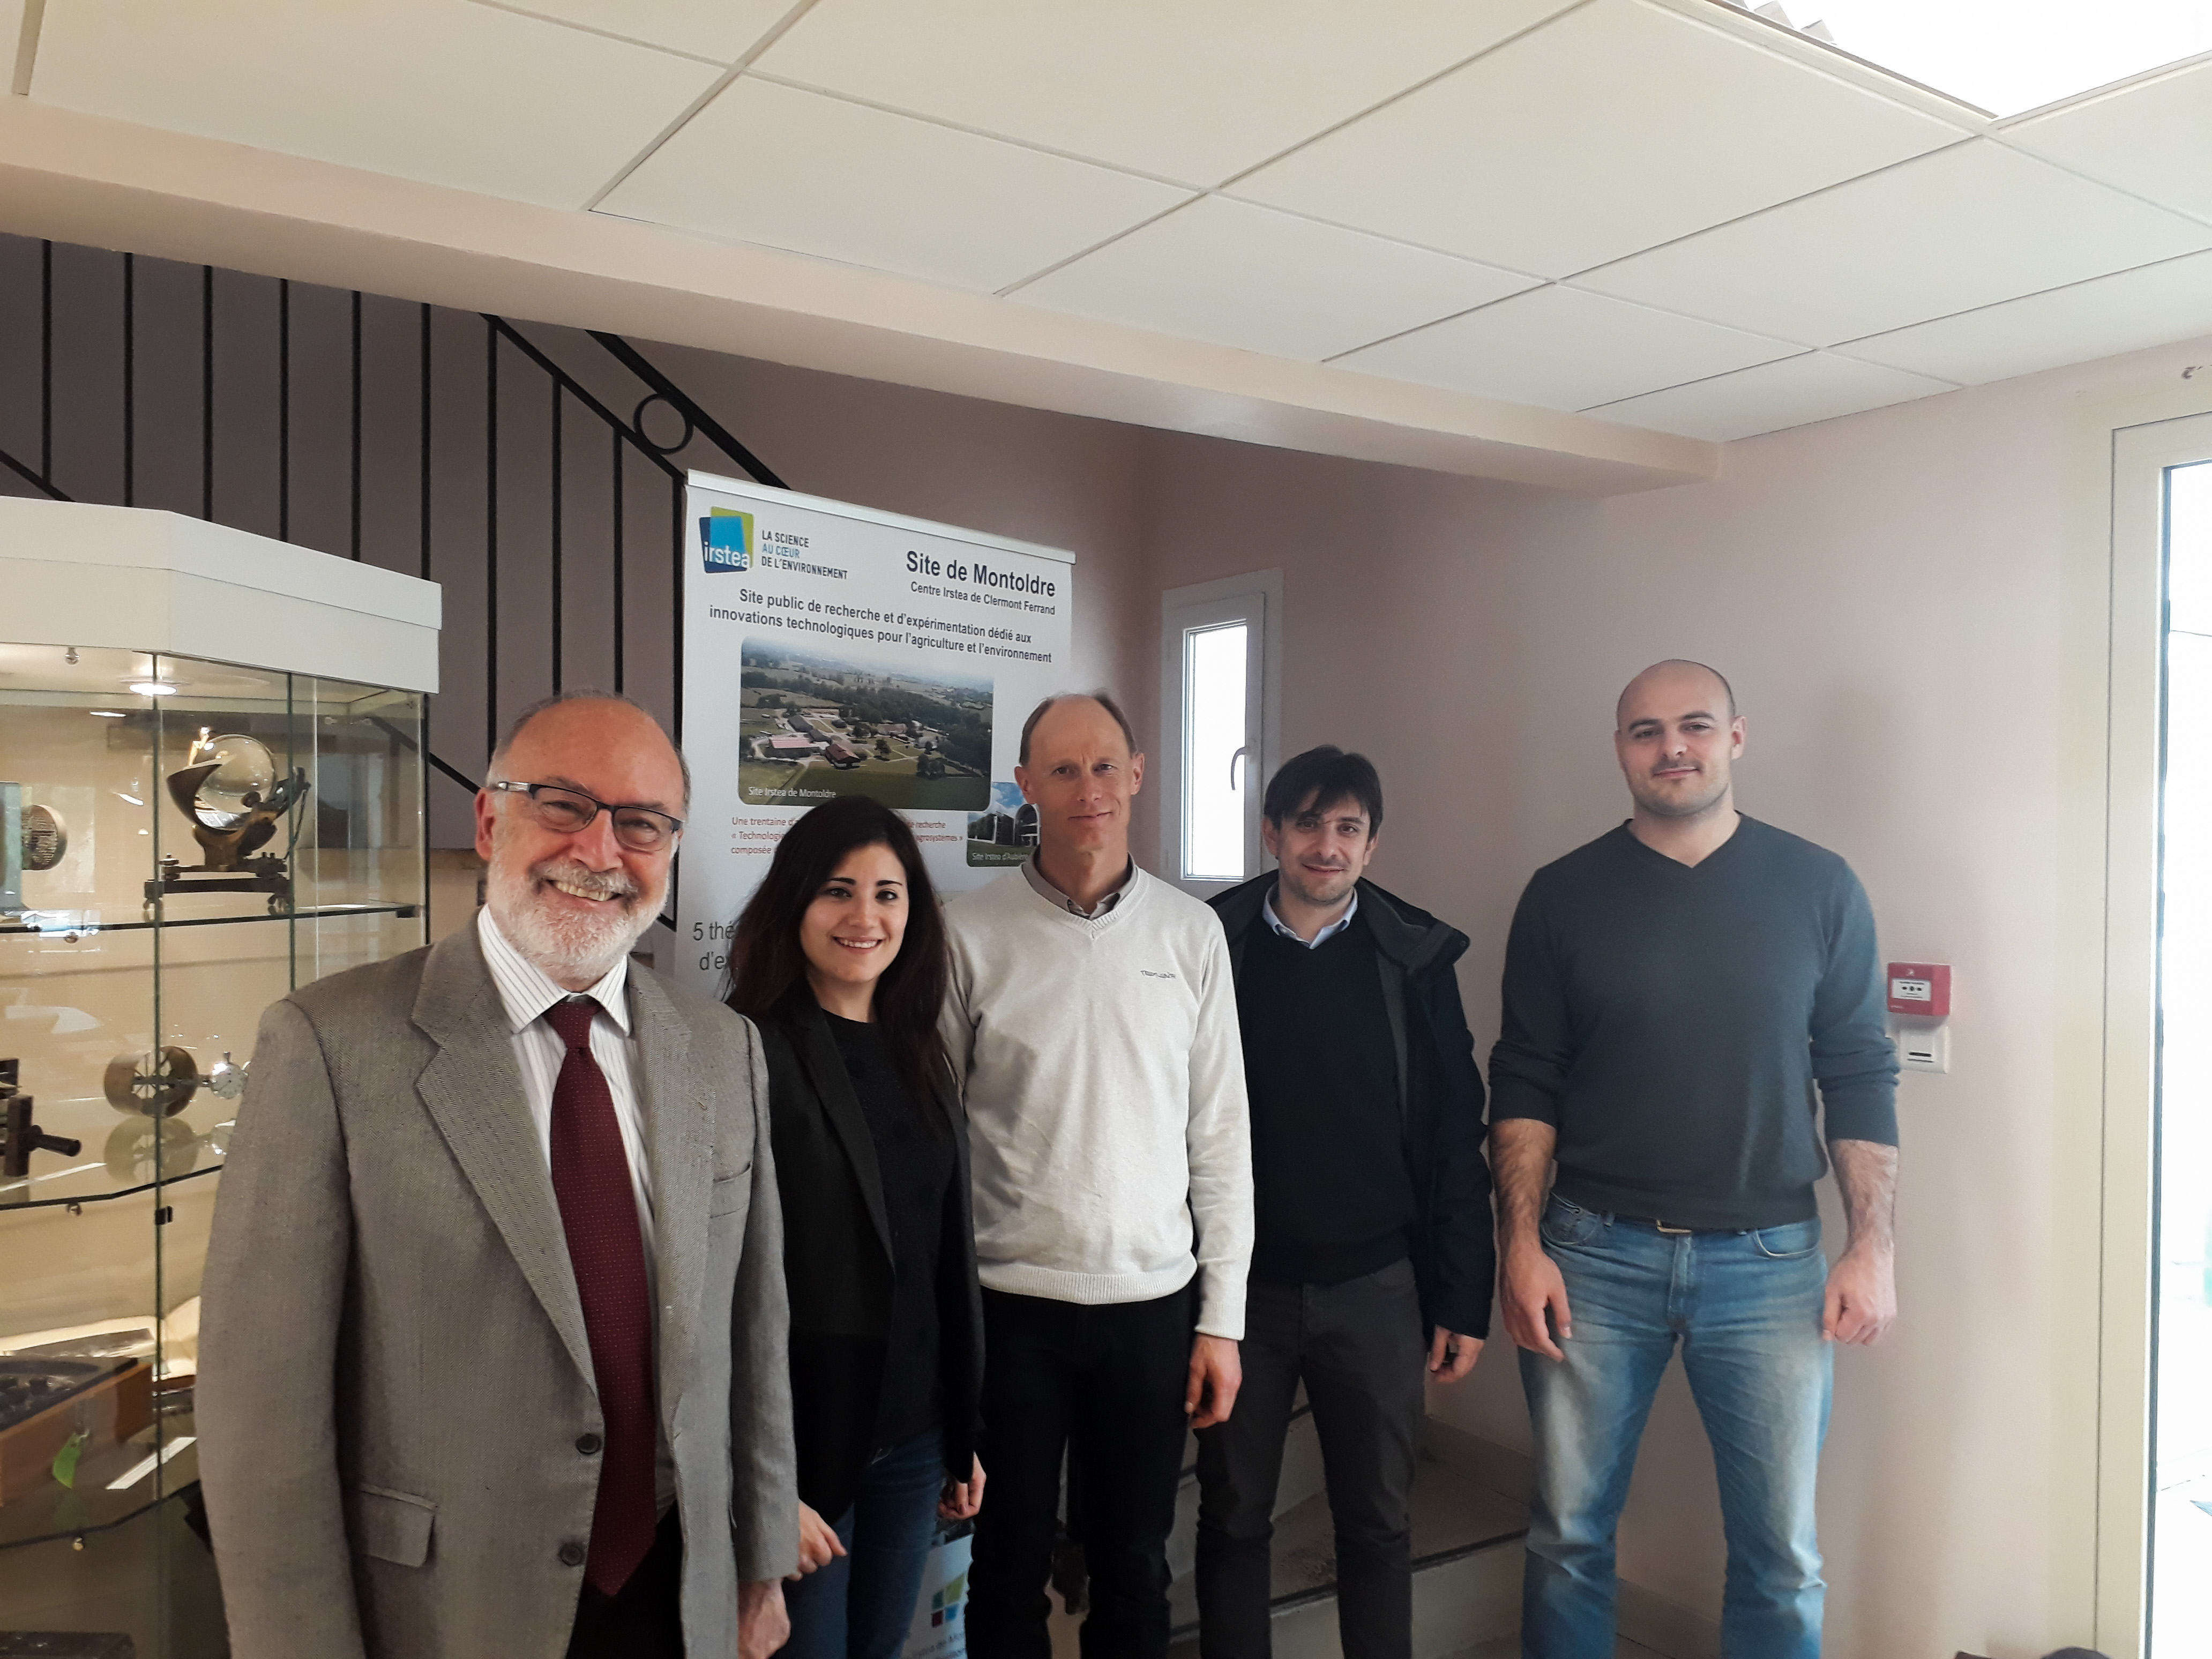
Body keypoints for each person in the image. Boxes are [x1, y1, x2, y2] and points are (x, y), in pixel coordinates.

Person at [197, 690, 796, 1659]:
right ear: (489, 821)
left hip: (679, 1593)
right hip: (447, 1609)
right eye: (562, 805)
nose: (599, 851)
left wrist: (760, 1561)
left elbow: (754, 1335)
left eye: (641, 823)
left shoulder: (723, 1048)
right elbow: (261, 1413)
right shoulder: (330, 1046)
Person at [1490, 660, 1901, 1659]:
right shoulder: (1561, 896)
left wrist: (1872, 1247)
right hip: (1591, 1257)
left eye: (1695, 725)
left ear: (1736, 738)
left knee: (1782, 1557)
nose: (1672, 746)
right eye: (1646, 730)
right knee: (1569, 1538)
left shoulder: (1820, 886)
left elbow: (1857, 1070)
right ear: (1620, 750)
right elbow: (1526, 1077)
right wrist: (1521, 1244)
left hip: (1771, 1264)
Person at [943, 690, 1254, 1659]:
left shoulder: (1192, 934)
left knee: (1134, 1568)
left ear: (1139, 774)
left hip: (1151, 1308)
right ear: (1026, 785)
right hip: (1011, 1310)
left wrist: (1222, 1319)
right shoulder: (966, 932)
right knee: (1005, 1571)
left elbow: (1221, 1135)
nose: (1090, 790)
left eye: (1107, 766)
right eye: (1065, 770)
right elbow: (935, 1141)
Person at [1200, 746, 1494, 1659]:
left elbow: (1455, 1133)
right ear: (1271, 834)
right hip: (1239, 1294)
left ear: (1371, 844)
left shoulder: (1415, 960)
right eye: (1307, 824)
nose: (1326, 846)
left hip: (1376, 1290)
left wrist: (1462, 1293)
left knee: (1377, 1523)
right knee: (1233, 1517)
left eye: (1347, 828)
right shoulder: (1209, 945)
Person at [726, 796, 987, 1659]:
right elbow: (721, 1286)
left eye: (888, 894)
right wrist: (765, 1487)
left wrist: (962, 1433)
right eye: (838, 891)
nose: (865, 917)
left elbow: (937, 1249)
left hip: (915, 1435)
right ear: (795, 902)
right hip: (807, 1450)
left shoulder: (921, 1049)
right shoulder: (750, 1051)